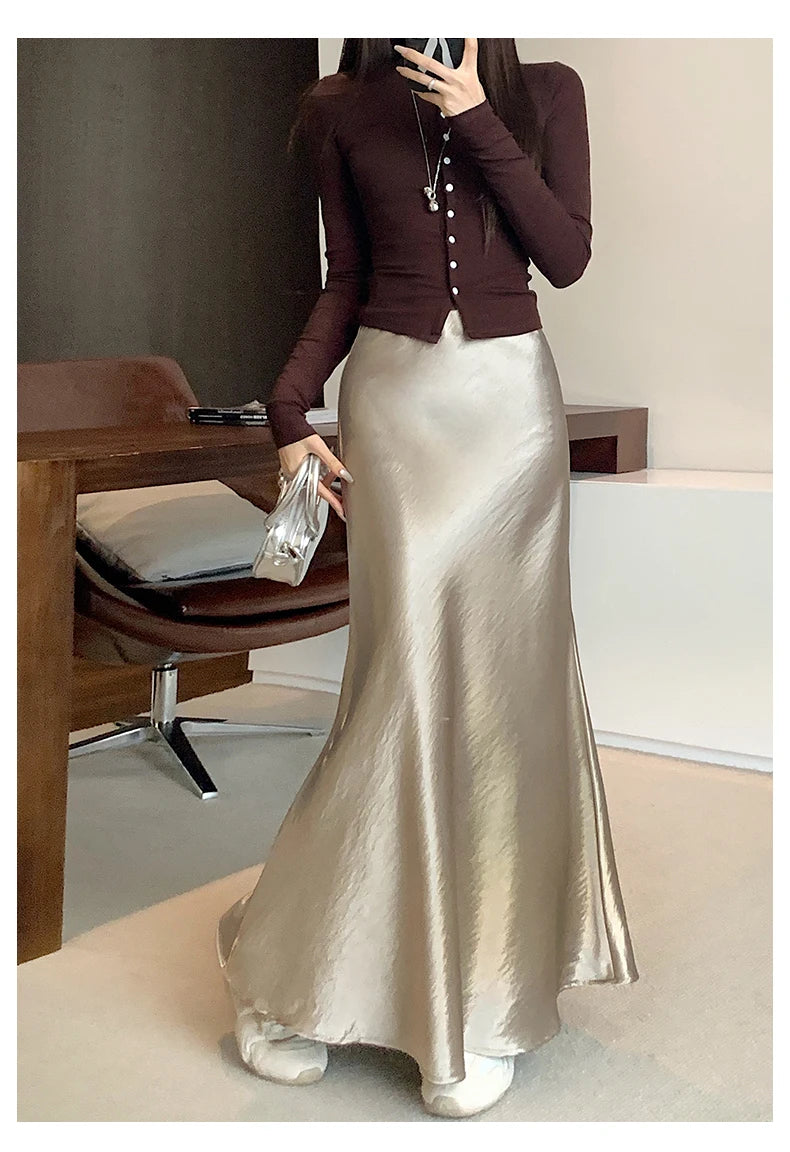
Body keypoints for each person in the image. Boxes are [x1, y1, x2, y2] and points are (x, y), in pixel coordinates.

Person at [216, 37, 639, 1119]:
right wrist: (287, 409)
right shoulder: (335, 106)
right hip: (397, 408)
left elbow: (566, 255)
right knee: (399, 693)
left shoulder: (548, 92)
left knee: (504, 700)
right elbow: (345, 279)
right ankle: (285, 972)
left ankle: (481, 994)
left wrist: (474, 115)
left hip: (511, 412)